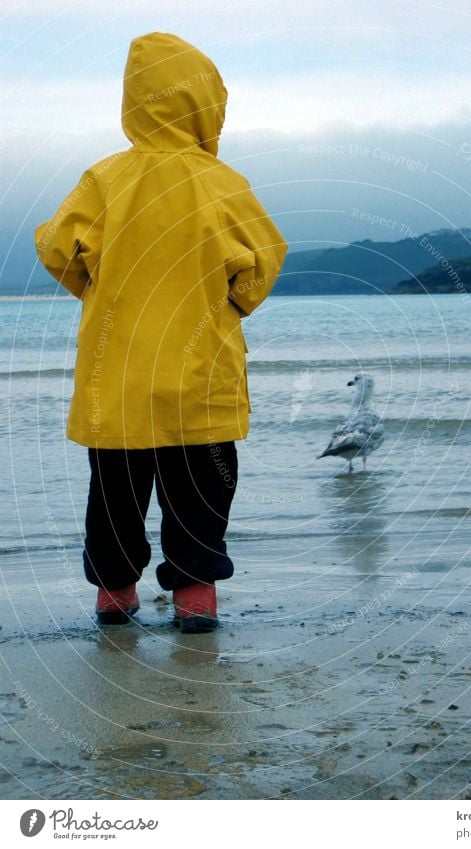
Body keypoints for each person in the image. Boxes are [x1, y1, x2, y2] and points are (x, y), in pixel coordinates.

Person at [34, 32, 287, 632]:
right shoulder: (220, 181)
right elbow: (266, 258)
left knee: (115, 499)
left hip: (116, 379)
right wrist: (231, 301)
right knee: (201, 494)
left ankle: (115, 599)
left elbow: (55, 247)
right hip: (199, 380)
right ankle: (195, 603)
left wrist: (98, 287)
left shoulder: (104, 179)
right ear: (204, 104)